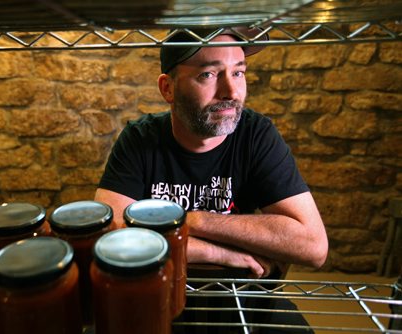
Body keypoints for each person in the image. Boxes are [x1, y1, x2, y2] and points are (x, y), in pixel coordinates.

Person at [95, 26, 328, 333]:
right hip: (157, 293)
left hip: (240, 297)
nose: (231, 93)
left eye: (238, 73)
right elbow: (108, 238)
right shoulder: (140, 139)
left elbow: (313, 246)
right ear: (168, 88)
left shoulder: (256, 135)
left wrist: (192, 222)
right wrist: (219, 252)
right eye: (209, 74)